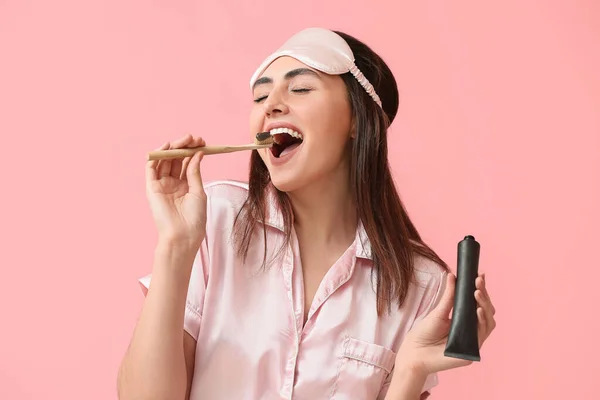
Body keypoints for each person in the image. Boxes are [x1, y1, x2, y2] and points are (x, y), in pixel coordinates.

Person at [117, 27, 496, 400]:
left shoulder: (422, 284)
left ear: (356, 120)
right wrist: (176, 246)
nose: (271, 105)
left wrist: (410, 371)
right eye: (260, 95)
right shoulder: (214, 221)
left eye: (300, 89)